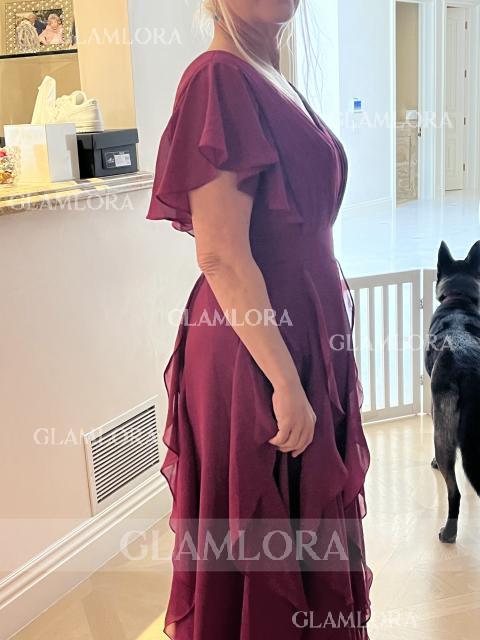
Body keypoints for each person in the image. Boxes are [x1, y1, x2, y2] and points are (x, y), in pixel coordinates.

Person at [146, 1, 372, 638]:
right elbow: (220, 252)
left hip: (298, 339)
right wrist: (286, 382)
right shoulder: (218, 77)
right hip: (258, 354)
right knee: (266, 535)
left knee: (303, 530)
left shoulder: (266, 71)